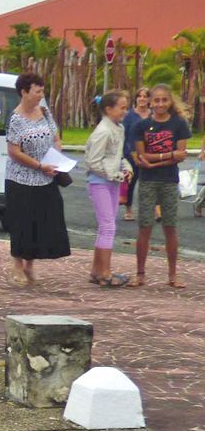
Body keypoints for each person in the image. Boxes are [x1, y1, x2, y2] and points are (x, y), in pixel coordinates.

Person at [3, 72, 70, 287]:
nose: (41, 95)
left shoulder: (44, 112)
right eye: (37, 91)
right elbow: (14, 151)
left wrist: (56, 159)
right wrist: (39, 165)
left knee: (42, 222)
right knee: (21, 223)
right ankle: (17, 265)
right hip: (22, 179)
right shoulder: (16, 119)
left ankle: (31, 264)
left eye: (42, 91)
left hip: (47, 177)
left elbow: (55, 136)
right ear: (24, 92)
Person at [128, 83, 193, 288]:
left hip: (169, 181)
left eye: (164, 100)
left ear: (170, 101)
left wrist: (161, 159)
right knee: (145, 226)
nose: (160, 104)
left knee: (170, 226)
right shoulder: (140, 126)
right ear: (149, 102)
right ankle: (140, 273)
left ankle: (173, 274)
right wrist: (169, 155)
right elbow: (141, 157)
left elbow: (180, 156)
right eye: (156, 100)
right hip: (147, 181)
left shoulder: (179, 124)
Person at [83, 90, 133, 287]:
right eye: (121, 107)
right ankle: (105, 272)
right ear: (108, 109)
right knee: (108, 226)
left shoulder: (116, 128)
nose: (124, 111)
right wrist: (115, 175)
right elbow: (93, 161)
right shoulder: (103, 131)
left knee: (107, 225)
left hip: (111, 182)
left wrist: (125, 168)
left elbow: (116, 156)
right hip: (100, 182)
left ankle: (97, 270)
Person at [122, 87, 151, 221]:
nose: (142, 98)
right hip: (131, 154)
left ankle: (154, 211)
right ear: (136, 98)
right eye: (139, 96)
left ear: (149, 99)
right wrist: (125, 154)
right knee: (131, 182)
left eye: (145, 96)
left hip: (150, 154)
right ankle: (128, 209)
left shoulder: (154, 115)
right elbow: (124, 134)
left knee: (151, 183)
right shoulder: (129, 115)